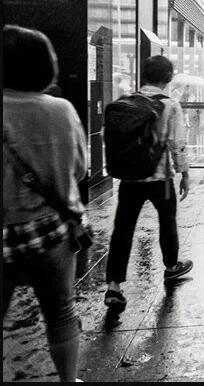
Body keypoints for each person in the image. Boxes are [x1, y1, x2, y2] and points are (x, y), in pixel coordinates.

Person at [3, 24, 86, 382]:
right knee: (61, 312)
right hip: (51, 229)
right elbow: (81, 169)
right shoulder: (61, 110)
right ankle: (68, 380)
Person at [104, 55, 193, 312]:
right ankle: (171, 266)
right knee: (167, 221)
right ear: (168, 78)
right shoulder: (170, 105)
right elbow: (177, 144)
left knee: (122, 229)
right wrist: (184, 172)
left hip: (130, 177)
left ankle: (114, 285)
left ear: (144, 75)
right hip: (160, 177)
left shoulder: (125, 103)